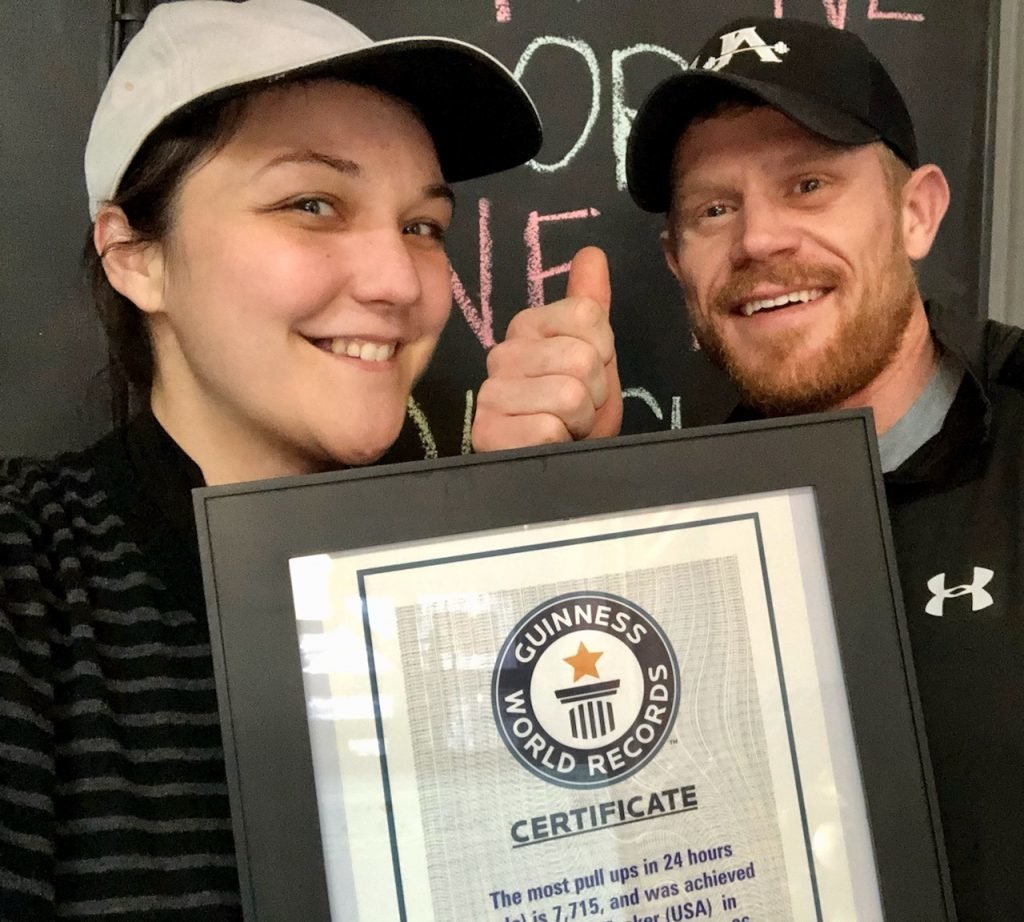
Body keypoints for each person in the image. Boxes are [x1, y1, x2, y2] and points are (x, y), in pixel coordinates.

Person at [0, 0, 550, 917]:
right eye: (312, 204)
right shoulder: (28, 574)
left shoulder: (456, 590)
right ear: (136, 256)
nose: (397, 282)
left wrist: (548, 536)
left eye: (422, 225)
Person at [478, 15, 1024, 921]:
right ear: (678, 264)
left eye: (808, 183)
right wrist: (547, 520)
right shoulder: (664, 532)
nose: (759, 240)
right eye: (713, 209)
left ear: (916, 212)